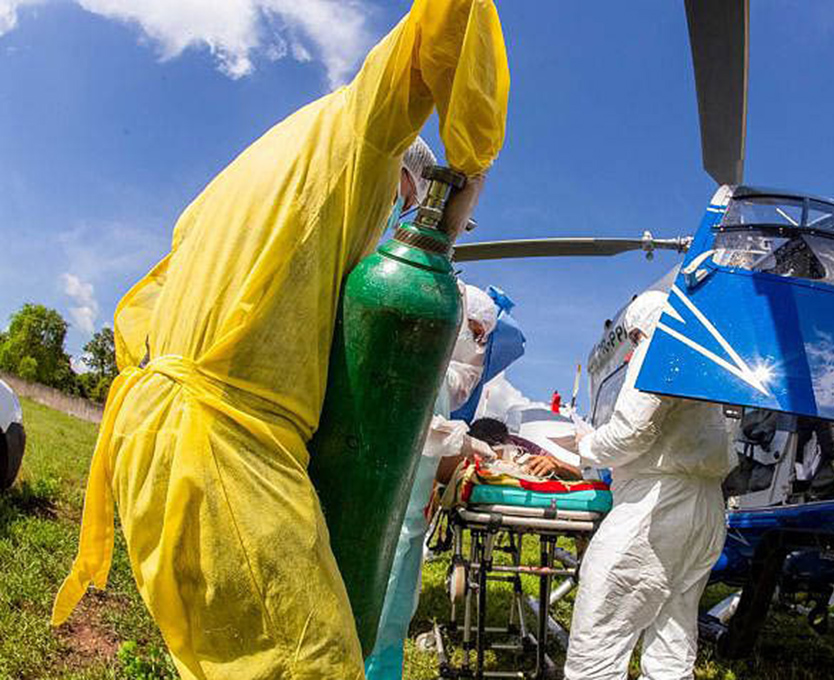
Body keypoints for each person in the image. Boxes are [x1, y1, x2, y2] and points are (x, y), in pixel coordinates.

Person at [50, 1, 510, 678]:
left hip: (154, 441)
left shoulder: (245, 179)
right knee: (311, 664)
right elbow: (451, 19)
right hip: (223, 451)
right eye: (399, 202)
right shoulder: (364, 133)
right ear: (400, 171)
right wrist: (469, 173)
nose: (392, 219)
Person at [563, 291, 735, 680]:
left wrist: (585, 446)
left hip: (656, 506)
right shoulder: (711, 362)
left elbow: (631, 433)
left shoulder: (659, 344)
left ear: (638, 329)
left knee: (600, 631)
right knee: (672, 633)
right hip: (707, 506)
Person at [366, 283, 499, 680]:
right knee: (373, 609)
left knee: (392, 616)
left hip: (408, 520)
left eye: (483, 339)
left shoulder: (439, 376)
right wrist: (469, 442)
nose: (477, 348)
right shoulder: (412, 359)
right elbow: (409, 426)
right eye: (473, 332)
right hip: (382, 517)